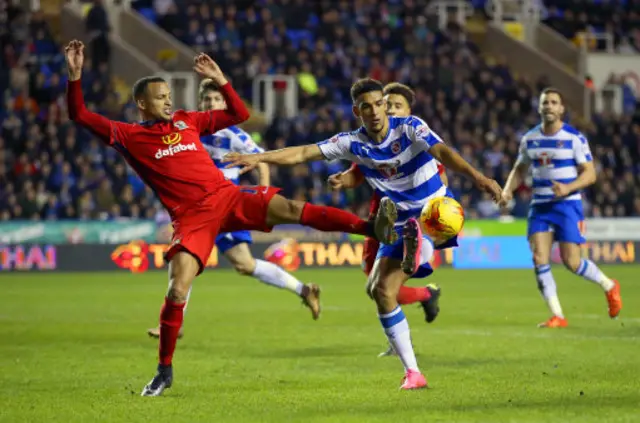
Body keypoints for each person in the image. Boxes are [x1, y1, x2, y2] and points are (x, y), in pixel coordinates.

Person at [64, 41, 399, 397]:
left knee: (291, 209)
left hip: (227, 198)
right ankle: (164, 370)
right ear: (142, 104)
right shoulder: (129, 136)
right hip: (192, 218)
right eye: (160, 97)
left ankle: (369, 228)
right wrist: (75, 77)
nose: (168, 100)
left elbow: (237, 113)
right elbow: (80, 115)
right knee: (178, 288)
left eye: (169, 95)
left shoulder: (187, 121)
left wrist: (221, 79)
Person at [224, 78, 502, 390]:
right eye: (366, 107)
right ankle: (414, 373)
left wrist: (479, 177)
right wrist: (260, 156)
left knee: (421, 232)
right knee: (379, 291)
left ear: (385, 104)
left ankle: (418, 247)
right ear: (358, 111)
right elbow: (304, 153)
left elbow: (443, 152)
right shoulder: (352, 142)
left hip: (434, 210)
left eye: (378, 104)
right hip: (396, 220)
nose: (374, 111)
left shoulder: (411, 127)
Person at [146, 79, 322, 340]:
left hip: (223, 210)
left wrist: (263, 197)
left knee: (205, 262)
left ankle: (173, 323)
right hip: (199, 210)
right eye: (207, 100)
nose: (211, 104)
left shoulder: (234, 135)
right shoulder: (189, 131)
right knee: (230, 264)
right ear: (201, 103)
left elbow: (262, 162)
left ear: (224, 104)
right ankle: (304, 290)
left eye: (217, 101)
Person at [328, 82, 446, 357]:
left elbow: (441, 175)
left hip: (412, 216)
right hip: (379, 215)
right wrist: (342, 180)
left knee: (384, 285)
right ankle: (425, 296)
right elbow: (356, 172)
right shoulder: (371, 142)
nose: (389, 110)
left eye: (396, 106)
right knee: (373, 283)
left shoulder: (417, 142)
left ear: (407, 112)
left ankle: (399, 341)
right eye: (387, 104)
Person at [501, 87, 622, 328]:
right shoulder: (530, 139)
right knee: (539, 257)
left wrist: (568, 188)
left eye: (554, 102)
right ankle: (558, 315)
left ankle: (609, 285)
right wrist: (507, 190)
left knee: (572, 262)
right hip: (540, 206)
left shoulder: (574, 139)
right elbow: (520, 169)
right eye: (545, 103)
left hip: (567, 205)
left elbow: (590, 174)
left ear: (562, 108)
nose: (549, 106)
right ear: (539, 108)